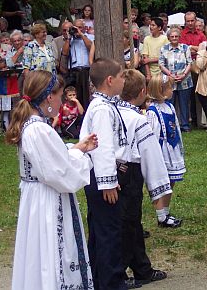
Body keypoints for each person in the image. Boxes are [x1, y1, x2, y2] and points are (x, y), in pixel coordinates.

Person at [7, 70, 97, 290]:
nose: (60, 100)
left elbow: (50, 159)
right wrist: (83, 156)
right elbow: (60, 173)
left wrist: (75, 147)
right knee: (53, 254)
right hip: (48, 199)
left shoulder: (33, 125)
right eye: (59, 95)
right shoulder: (38, 129)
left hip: (37, 197)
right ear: (49, 97)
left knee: (40, 255)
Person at [116, 69, 170, 287]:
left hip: (116, 171)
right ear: (142, 91)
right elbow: (151, 154)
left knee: (130, 222)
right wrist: (158, 185)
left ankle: (142, 268)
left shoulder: (113, 111)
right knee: (127, 223)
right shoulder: (138, 119)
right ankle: (119, 271)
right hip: (130, 171)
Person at [79, 58, 128, 290]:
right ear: (110, 80)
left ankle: (98, 279)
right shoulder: (101, 109)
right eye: (122, 76)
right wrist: (108, 182)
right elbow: (103, 147)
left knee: (102, 230)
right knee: (109, 231)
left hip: (101, 177)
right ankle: (111, 282)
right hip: (102, 179)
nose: (124, 80)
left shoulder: (106, 104)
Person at [147, 75, 185, 227]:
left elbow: (176, 126)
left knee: (171, 181)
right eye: (169, 87)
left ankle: (166, 212)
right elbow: (152, 135)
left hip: (172, 148)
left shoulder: (169, 107)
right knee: (159, 183)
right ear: (160, 90)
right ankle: (161, 216)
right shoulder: (152, 111)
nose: (172, 90)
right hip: (162, 151)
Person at [159, 27, 193, 132]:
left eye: (176, 36)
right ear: (168, 38)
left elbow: (189, 63)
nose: (174, 38)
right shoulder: (164, 48)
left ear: (179, 37)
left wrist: (183, 74)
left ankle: (185, 125)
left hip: (184, 80)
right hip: (169, 80)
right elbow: (161, 64)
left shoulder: (185, 48)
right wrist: (170, 75)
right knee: (170, 104)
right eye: (172, 36)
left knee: (184, 104)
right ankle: (171, 124)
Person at [179, 11, 207, 129]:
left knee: (199, 93)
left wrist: (191, 48)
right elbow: (182, 49)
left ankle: (200, 121)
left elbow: (204, 50)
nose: (190, 23)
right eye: (188, 21)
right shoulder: (181, 34)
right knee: (186, 95)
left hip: (198, 65)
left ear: (196, 20)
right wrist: (195, 49)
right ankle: (187, 120)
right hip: (184, 65)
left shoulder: (201, 35)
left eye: (192, 20)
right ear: (185, 21)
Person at [61, 19, 94, 109]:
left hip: (86, 71)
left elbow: (91, 47)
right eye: (75, 27)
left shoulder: (90, 37)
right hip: (74, 72)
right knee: (75, 97)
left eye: (80, 27)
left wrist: (81, 34)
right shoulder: (70, 39)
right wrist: (68, 38)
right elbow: (64, 53)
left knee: (87, 96)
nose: (77, 29)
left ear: (84, 28)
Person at [142, 17, 169, 81]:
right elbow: (145, 58)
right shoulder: (146, 39)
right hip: (150, 71)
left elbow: (166, 56)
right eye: (150, 25)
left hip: (163, 70)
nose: (151, 27)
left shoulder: (164, 39)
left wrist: (151, 60)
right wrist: (148, 74)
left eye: (153, 25)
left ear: (159, 28)